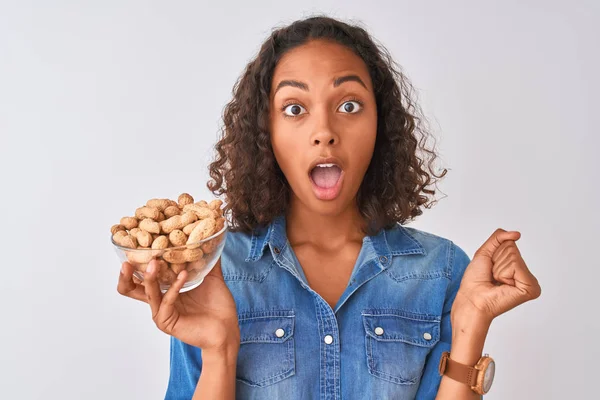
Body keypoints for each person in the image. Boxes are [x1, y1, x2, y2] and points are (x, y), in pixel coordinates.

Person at [117, 15, 541, 400]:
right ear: (267, 132)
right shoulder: (215, 271)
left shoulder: (441, 270)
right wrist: (219, 350)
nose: (324, 131)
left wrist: (472, 322)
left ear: (381, 124)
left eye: (349, 105)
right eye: (295, 109)